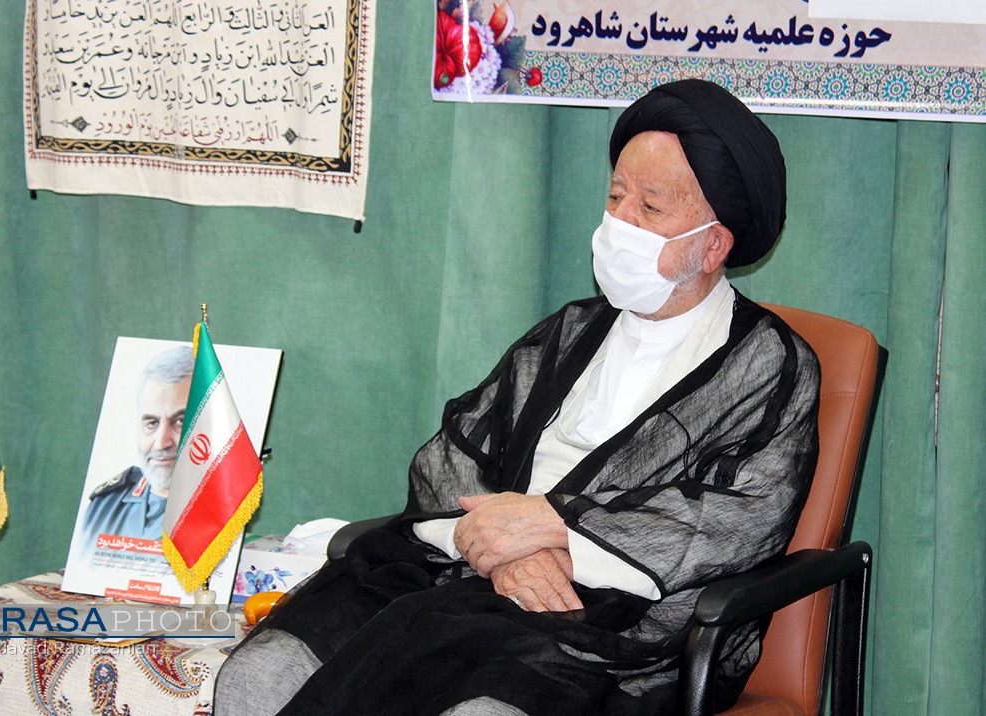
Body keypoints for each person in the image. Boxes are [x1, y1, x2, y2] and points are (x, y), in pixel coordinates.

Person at [215, 79, 820, 715]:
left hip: (616, 622)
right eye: (616, 197)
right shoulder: (569, 330)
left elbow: (736, 519)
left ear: (713, 245)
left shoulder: (771, 364)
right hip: (469, 570)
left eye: (650, 207)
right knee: (263, 674)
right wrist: (502, 552)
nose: (622, 223)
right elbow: (457, 450)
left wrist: (555, 527)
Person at [77, 345, 193, 556]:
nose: (161, 443)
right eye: (151, 423)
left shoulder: (229, 513)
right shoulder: (104, 506)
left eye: (180, 422)